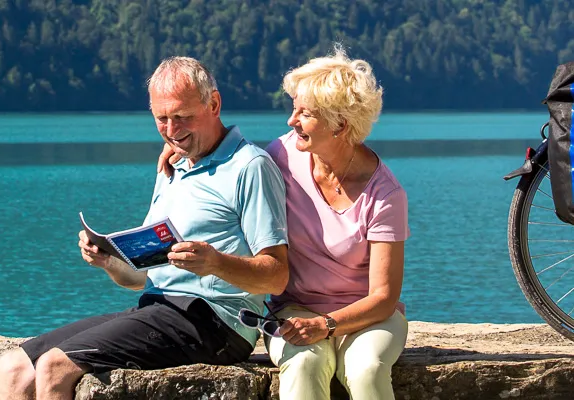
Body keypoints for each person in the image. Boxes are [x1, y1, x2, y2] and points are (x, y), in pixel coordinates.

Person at [0, 56, 290, 400]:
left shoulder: (250, 167)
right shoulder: (173, 167)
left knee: (54, 367)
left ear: (214, 103)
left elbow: (276, 275)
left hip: (216, 324)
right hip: (157, 307)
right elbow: (139, 280)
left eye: (182, 117)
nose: (172, 129)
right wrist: (110, 261)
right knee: (15, 366)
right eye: (161, 118)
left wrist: (215, 263)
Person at [157, 46, 409, 400]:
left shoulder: (386, 195)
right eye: (294, 108)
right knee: (304, 365)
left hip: (369, 318)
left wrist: (326, 325)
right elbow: (232, 161)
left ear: (340, 124)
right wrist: (184, 149)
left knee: (366, 370)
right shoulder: (282, 155)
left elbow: (384, 297)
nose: (292, 121)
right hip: (293, 310)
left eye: (304, 113)